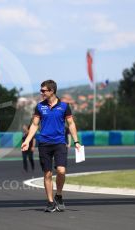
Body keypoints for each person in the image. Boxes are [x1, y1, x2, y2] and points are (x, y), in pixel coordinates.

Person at [21, 80, 81, 212]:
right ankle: (50, 202)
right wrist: (27, 140)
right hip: (44, 144)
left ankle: (58, 195)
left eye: (43, 90)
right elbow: (35, 125)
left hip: (60, 143)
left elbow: (71, 124)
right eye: (41, 90)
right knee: (47, 173)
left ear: (52, 91)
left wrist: (76, 141)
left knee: (61, 171)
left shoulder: (64, 106)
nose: (41, 92)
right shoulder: (39, 106)